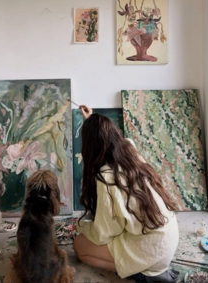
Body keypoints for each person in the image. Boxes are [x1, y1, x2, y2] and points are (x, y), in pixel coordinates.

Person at [73, 105, 180, 282]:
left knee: (80, 246)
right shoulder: (130, 151)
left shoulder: (107, 177)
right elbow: (106, 137)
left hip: (152, 250)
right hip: (168, 237)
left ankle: (143, 271)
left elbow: (105, 233)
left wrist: (81, 227)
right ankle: (146, 266)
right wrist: (91, 119)